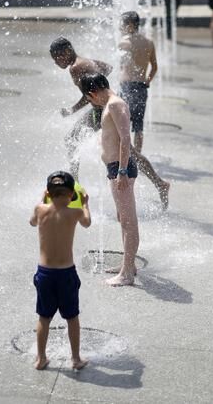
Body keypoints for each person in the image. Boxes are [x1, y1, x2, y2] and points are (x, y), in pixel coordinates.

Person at [50, 37, 170, 209]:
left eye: (57, 57)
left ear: (67, 51)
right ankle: (160, 184)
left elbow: (88, 94)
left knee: (71, 141)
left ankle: (75, 190)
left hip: (100, 112)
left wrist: (72, 110)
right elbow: (108, 68)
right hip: (104, 108)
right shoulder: (84, 61)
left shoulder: (76, 68)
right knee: (129, 152)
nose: (56, 62)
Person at [81, 73, 139, 287]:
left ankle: (127, 273)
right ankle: (128, 264)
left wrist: (122, 171)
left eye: (89, 99)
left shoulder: (115, 105)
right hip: (114, 167)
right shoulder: (112, 105)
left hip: (120, 169)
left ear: (93, 93)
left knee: (128, 221)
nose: (92, 102)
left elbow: (125, 138)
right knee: (122, 218)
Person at [29, 171, 91, 370]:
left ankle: (40, 358)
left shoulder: (40, 210)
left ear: (48, 192)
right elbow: (87, 223)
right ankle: (75, 359)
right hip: (66, 274)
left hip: (45, 273)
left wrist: (41, 199)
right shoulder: (75, 212)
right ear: (72, 194)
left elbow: (32, 222)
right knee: (72, 317)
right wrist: (85, 203)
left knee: (44, 318)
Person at [118, 11, 157, 152]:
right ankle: (138, 157)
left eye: (121, 24)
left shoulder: (124, 43)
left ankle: (125, 155)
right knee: (138, 126)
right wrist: (147, 80)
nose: (119, 28)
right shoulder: (149, 43)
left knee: (123, 124)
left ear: (130, 25)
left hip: (126, 87)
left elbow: (122, 66)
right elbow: (154, 67)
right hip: (141, 87)